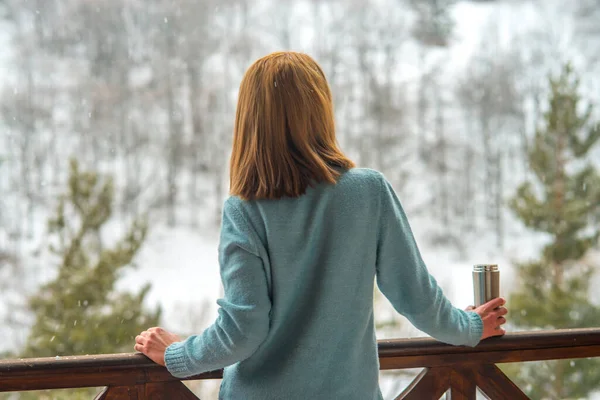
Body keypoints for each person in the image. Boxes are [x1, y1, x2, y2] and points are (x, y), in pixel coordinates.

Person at [134, 51, 507, 400]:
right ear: (320, 110)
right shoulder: (369, 191)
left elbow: (242, 330)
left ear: (250, 121)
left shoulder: (245, 209)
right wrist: (469, 327)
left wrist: (177, 355)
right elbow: (416, 297)